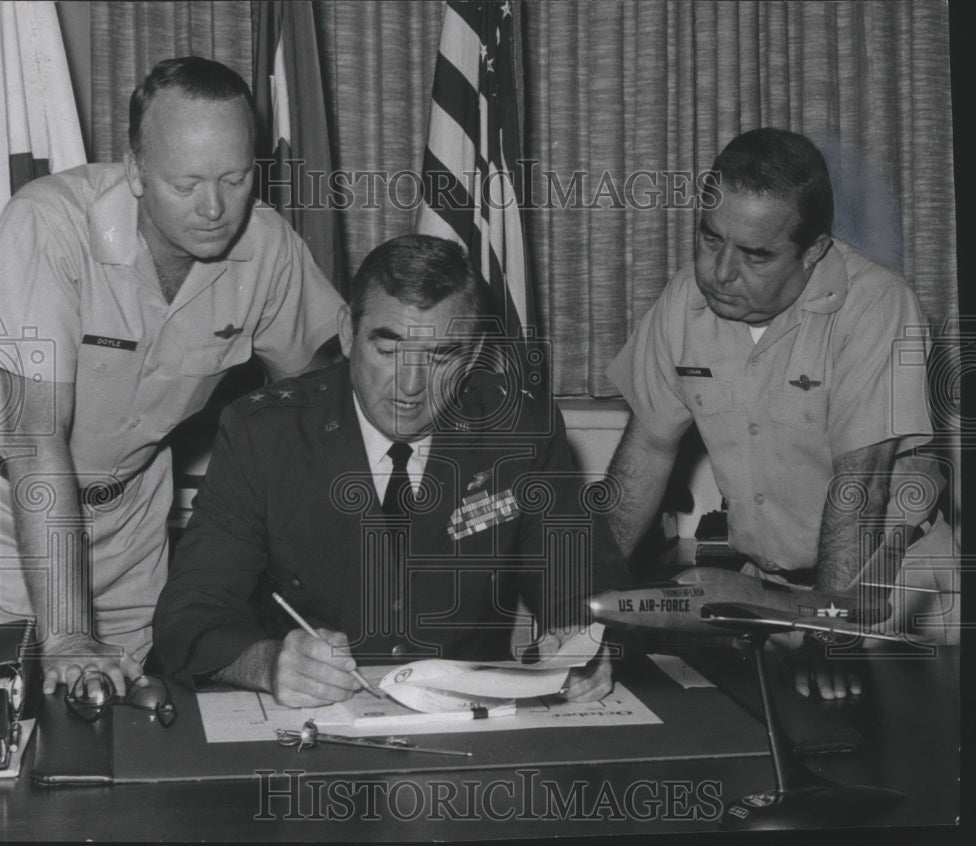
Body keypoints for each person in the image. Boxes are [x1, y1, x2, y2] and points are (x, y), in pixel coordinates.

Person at [0, 57, 344, 696]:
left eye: (234, 179)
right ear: (136, 170)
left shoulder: (269, 250)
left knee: (132, 727)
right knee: (1, 737)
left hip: (134, 523)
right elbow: (35, 441)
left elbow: (319, 402)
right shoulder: (50, 225)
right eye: (186, 184)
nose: (214, 208)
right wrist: (66, 633)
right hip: (4, 519)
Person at [153, 234, 616, 706]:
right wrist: (268, 663)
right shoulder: (265, 434)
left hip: (474, 729)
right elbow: (189, 617)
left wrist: (580, 643)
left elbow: (586, 587)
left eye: (440, 355)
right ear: (348, 334)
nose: (411, 387)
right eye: (389, 350)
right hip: (316, 726)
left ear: (475, 354)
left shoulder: (519, 431)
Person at [605, 128, 957, 699]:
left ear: (813, 250)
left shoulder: (878, 305)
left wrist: (827, 633)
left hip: (884, 587)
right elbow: (646, 453)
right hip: (770, 593)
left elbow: (860, 485)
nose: (720, 272)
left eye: (756, 255)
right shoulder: (683, 303)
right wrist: (588, 602)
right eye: (710, 238)